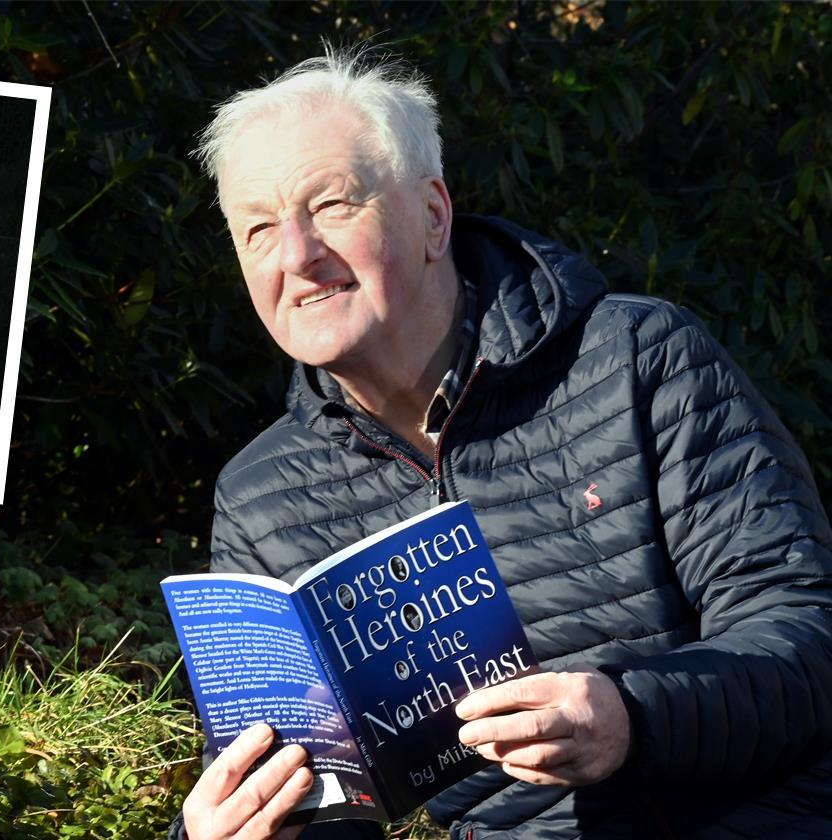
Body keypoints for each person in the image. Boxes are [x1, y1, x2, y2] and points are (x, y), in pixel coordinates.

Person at [174, 50, 832, 839]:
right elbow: (322, 803)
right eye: (258, 230)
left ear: (433, 216)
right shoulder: (260, 496)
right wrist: (236, 829)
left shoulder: (636, 360)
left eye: (333, 205)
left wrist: (632, 716)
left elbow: (805, 633)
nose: (296, 255)